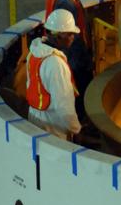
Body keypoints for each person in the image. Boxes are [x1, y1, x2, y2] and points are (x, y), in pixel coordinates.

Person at [25, 9, 82, 141]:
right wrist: (76, 129)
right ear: (59, 35)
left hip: (35, 119)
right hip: (54, 128)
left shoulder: (34, 53)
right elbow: (63, 106)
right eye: (70, 34)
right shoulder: (55, 64)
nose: (73, 37)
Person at [45, 0, 94, 105]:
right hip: (73, 56)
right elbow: (68, 35)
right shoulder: (66, 2)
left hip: (68, 53)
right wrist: (83, 59)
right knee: (82, 88)